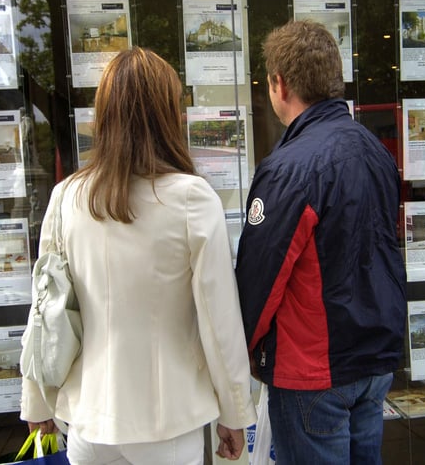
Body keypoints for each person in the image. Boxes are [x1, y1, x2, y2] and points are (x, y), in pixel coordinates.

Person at [21, 47, 256, 465]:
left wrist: (37, 403)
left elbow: (46, 310)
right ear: (166, 114)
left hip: (88, 421)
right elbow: (219, 322)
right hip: (167, 422)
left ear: (104, 115)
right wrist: (234, 412)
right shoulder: (191, 198)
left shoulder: (66, 197)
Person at [235, 20, 406, 465]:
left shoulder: (289, 167)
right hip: (373, 360)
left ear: (279, 83)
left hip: (315, 370)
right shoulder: (375, 151)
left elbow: (262, 276)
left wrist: (244, 353)